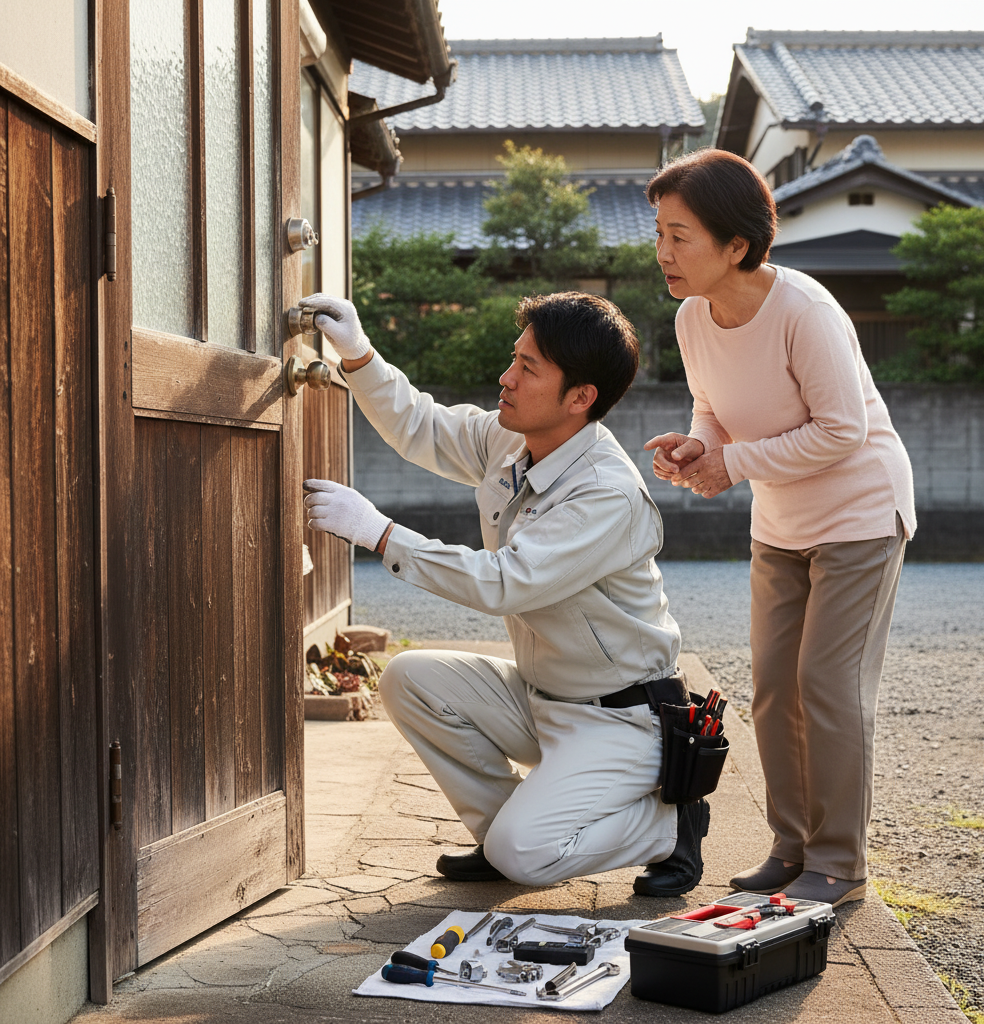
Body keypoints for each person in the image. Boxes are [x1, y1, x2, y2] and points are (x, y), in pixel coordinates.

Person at [301, 289, 709, 896]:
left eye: (528, 367)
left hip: (620, 720)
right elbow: (421, 426)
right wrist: (358, 354)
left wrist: (380, 534)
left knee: (528, 853)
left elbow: (504, 582)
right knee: (410, 679)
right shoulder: (514, 440)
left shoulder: (606, 493)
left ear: (580, 397)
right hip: (543, 696)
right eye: (515, 359)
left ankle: (669, 828)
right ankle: (501, 836)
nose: (507, 377)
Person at [643, 149, 915, 908]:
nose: (663, 252)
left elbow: (842, 430)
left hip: (861, 514)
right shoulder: (692, 316)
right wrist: (698, 445)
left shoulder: (805, 310)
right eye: (659, 234)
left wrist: (730, 463)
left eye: (680, 236)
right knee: (771, 690)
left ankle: (840, 862)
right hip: (782, 520)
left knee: (826, 685)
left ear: (736, 244)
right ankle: (791, 846)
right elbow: (712, 408)